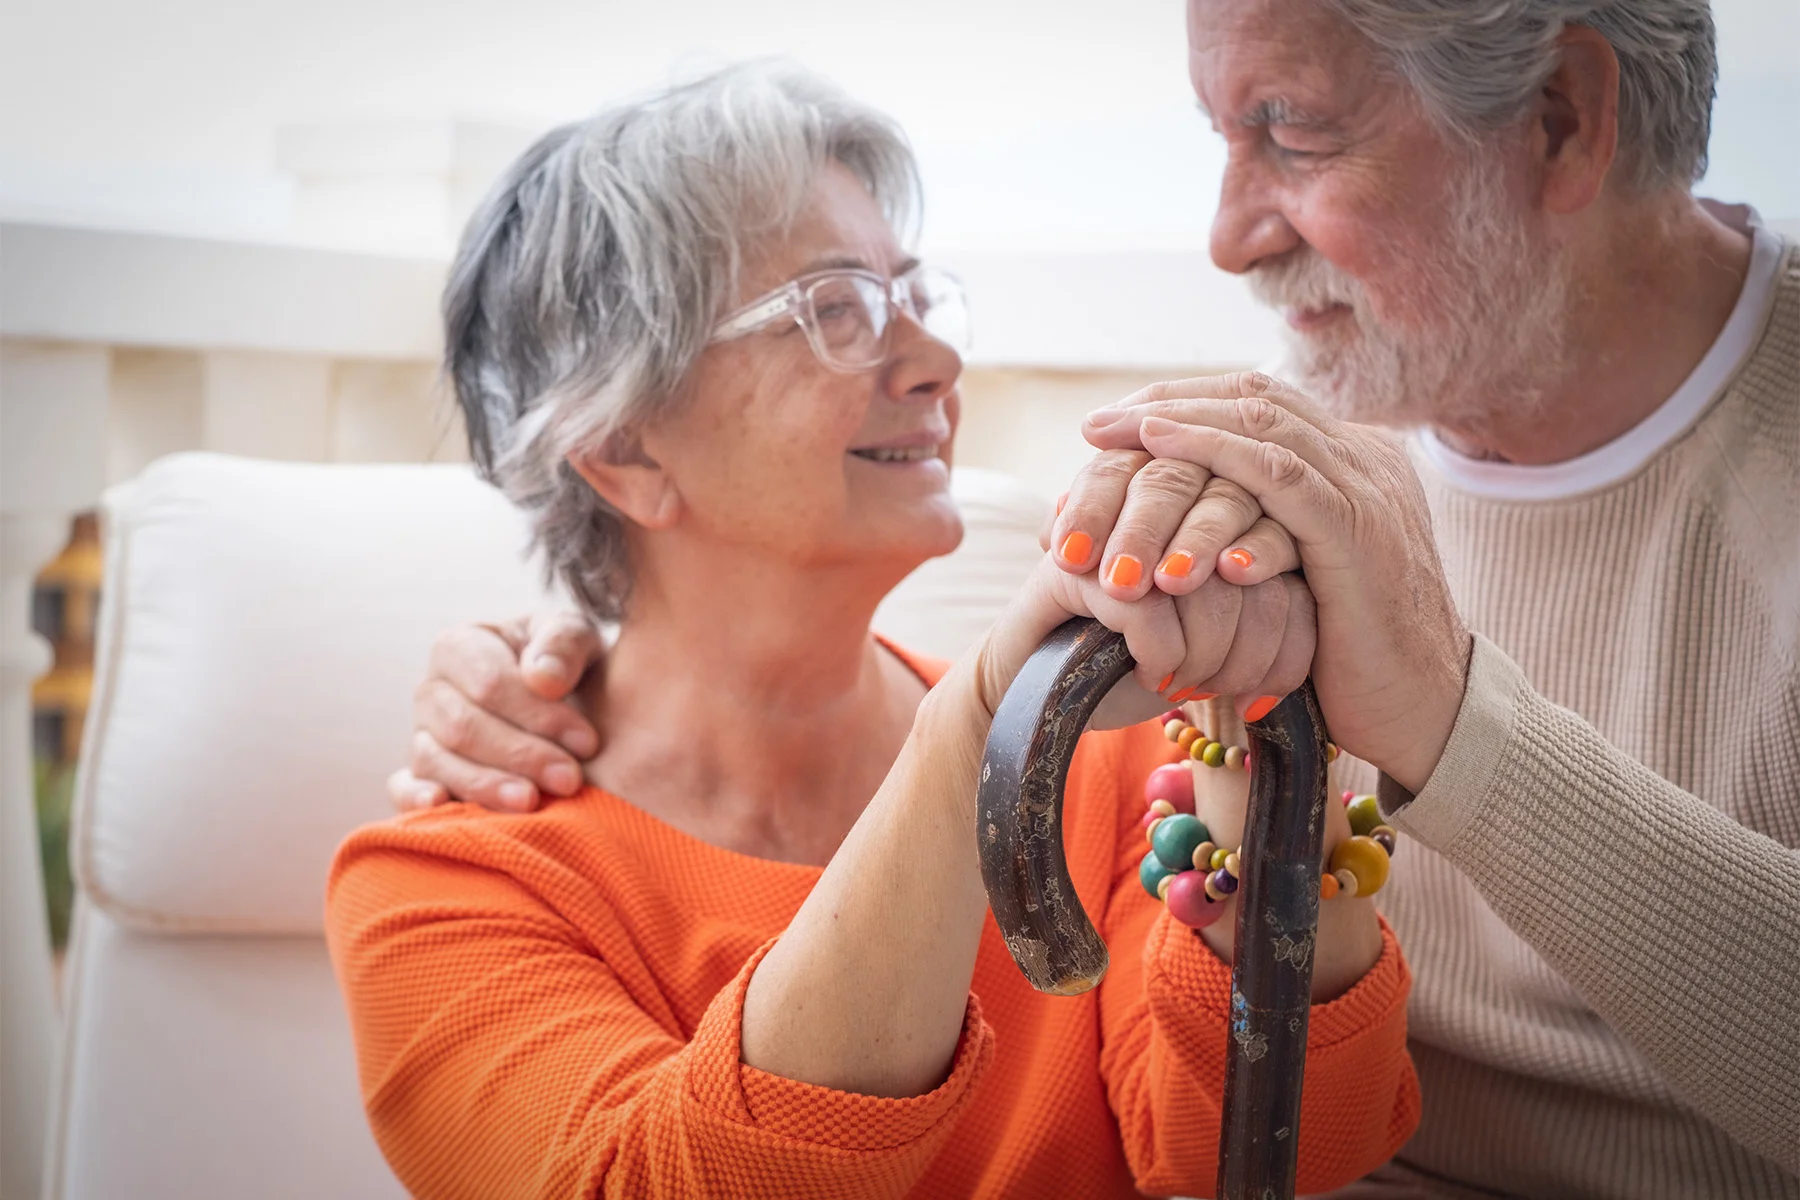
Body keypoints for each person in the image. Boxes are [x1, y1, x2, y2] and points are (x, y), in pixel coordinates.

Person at [411, 1, 1800, 1196]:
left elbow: (1253, 1133)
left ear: (1562, 118)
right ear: (624, 453)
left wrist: (1408, 727)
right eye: (834, 306)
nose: (1225, 240)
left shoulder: (1167, 663)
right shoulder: (1289, 464)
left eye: (1294, 131)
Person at [325, 63, 1418, 1200]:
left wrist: (1258, 696)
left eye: (909, 295)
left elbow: (1288, 1145)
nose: (938, 363)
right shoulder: (441, 892)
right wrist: (982, 736)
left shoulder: (1115, 750)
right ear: (628, 453)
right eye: (834, 309)